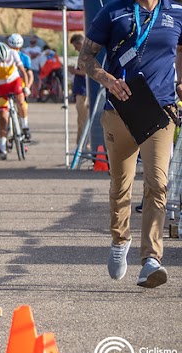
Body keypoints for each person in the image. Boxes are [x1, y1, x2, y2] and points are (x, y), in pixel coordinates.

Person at [80, 0, 182, 288]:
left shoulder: (176, 11)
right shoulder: (113, 11)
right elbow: (85, 58)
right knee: (120, 184)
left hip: (160, 111)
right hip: (119, 110)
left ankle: (151, 259)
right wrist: (109, 80)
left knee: (157, 183)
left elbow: (180, 51)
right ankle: (119, 239)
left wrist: (179, 82)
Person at [0, 42, 30, 160]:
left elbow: (23, 71)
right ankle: (2, 149)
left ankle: (25, 126)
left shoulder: (13, 53)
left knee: (21, 101)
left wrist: (26, 87)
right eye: (1, 60)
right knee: (3, 118)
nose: (3, 62)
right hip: (2, 86)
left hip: (15, 81)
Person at [8, 33, 33, 141]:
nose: (15, 50)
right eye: (13, 48)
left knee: (22, 103)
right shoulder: (5, 55)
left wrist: (27, 87)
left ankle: (24, 126)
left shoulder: (25, 57)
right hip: (8, 82)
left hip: (21, 83)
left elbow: (29, 74)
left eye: (17, 48)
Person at [69, 33, 89, 150]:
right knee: (81, 119)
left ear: (79, 43)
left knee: (82, 119)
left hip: (83, 92)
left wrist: (74, 71)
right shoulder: (84, 54)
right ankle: (80, 144)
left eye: (75, 46)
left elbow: (86, 71)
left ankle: (82, 145)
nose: (75, 49)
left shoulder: (86, 55)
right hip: (81, 90)